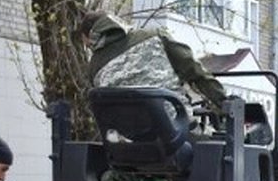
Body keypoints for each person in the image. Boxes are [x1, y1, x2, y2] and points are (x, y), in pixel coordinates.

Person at [77, 10, 225, 110]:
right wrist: (222, 101)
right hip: (175, 129)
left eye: (88, 44)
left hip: (127, 139)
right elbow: (192, 68)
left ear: (93, 36)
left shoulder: (93, 68)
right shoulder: (154, 35)